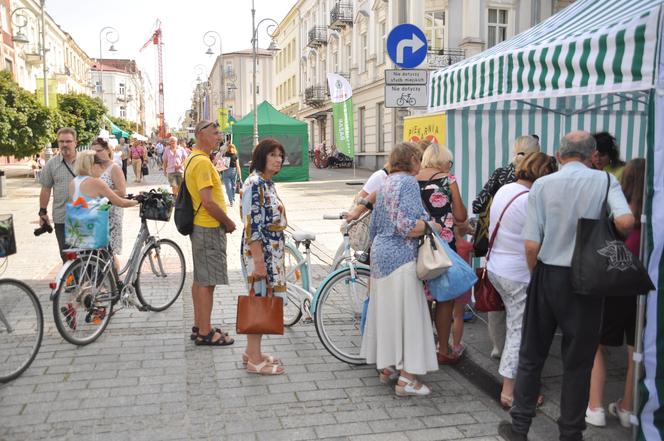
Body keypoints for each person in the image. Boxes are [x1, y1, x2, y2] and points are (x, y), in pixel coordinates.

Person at [499, 131, 634, 441]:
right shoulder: (604, 181)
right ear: (593, 157)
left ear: (559, 156)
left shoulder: (543, 185)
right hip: (587, 278)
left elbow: (531, 245)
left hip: (549, 274)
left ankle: (519, 427)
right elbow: (626, 222)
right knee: (579, 360)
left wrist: (537, 277)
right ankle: (570, 433)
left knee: (533, 355)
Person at [360, 142, 441, 397]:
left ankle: (387, 368)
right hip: (401, 256)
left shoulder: (384, 182)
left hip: (381, 255)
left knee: (387, 313)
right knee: (409, 317)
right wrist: (430, 226)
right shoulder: (407, 183)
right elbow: (407, 226)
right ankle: (407, 380)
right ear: (413, 160)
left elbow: (375, 224)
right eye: (419, 159)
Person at [486, 152, 557, 409]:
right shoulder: (530, 200)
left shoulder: (506, 190)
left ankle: (513, 383)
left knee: (515, 327)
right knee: (519, 331)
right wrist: (535, 274)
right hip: (518, 273)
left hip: (496, 267)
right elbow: (531, 247)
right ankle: (510, 391)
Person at [586, 158, 645, 428]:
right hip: (643, 290)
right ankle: (627, 408)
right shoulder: (653, 219)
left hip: (613, 286)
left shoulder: (620, 216)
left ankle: (595, 407)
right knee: (636, 350)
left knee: (597, 345)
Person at [473, 135, 540, 359]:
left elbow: (478, 202)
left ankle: (497, 347)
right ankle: (516, 355)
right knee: (519, 310)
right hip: (524, 251)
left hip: (497, 246)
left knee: (495, 300)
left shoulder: (501, 173)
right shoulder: (538, 178)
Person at [240, 138, 288, 375]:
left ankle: (252, 352)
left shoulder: (267, 183)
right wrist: (259, 261)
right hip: (261, 252)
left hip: (272, 250)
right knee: (258, 298)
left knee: (261, 296)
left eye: (280, 155)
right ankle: (254, 360)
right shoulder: (254, 184)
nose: (278, 159)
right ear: (262, 157)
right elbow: (252, 226)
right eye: (273, 155)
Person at [415, 143, 467, 364]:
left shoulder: (413, 178)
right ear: (444, 161)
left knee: (423, 297)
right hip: (443, 245)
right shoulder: (448, 179)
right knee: (444, 298)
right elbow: (461, 215)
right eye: (449, 161)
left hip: (419, 243)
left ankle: (423, 348)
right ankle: (443, 350)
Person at [186, 120, 236, 346]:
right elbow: (208, 202)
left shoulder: (194, 158)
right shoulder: (203, 163)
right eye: (215, 133)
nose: (219, 136)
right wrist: (228, 222)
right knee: (207, 283)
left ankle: (200, 326)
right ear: (200, 135)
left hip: (200, 227)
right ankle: (205, 332)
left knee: (200, 280)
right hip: (208, 227)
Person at [38, 127, 78, 262]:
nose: (65, 144)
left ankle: (87, 281)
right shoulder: (51, 164)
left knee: (87, 258)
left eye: (68, 141)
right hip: (62, 218)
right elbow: (46, 189)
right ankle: (72, 282)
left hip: (85, 217)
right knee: (67, 258)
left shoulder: (86, 161)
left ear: (75, 142)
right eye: (61, 141)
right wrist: (42, 212)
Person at [90, 138, 127, 258]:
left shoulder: (114, 167)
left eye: (99, 150)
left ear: (107, 150)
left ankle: (115, 276)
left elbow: (121, 192)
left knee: (110, 253)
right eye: (93, 151)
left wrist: (101, 192)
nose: (96, 154)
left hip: (112, 214)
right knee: (96, 252)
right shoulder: (91, 167)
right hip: (95, 213)